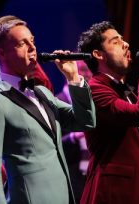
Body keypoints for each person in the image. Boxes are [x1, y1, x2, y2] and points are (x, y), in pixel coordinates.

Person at [0, 15, 95, 204]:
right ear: (1, 54)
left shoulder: (42, 92)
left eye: (32, 41)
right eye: (22, 43)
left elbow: (85, 120)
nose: (32, 48)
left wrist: (73, 78)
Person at [77, 21, 139, 204]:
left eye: (123, 39)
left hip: (136, 193)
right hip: (110, 194)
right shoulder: (94, 89)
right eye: (116, 41)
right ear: (98, 54)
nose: (126, 44)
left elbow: (135, 155)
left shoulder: (126, 92)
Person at [57, 60, 92, 204]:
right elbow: (53, 140)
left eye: (89, 70)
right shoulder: (58, 100)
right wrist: (73, 136)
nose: (88, 74)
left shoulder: (87, 101)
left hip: (87, 172)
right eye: (83, 69)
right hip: (70, 171)